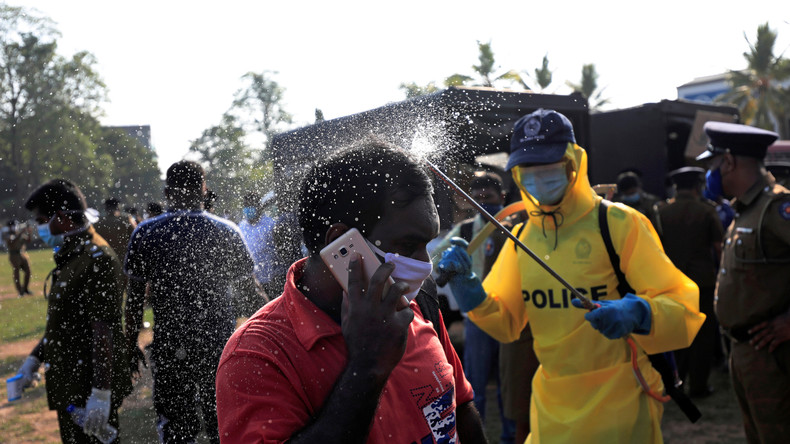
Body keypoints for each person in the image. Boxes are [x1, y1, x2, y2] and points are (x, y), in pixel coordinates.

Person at [439, 109, 705, 443]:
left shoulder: (619, 223)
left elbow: (683, 307)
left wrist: (639, 312)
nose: (538, 178)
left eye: (549, 168)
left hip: (622, 400)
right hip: (552, 405)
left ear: (573, 164)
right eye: (528, 170)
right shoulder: (523, 238)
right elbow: (505, 321)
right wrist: (469, 291)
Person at [215, 140, 487, 444]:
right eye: (408, 246)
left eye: (427, 244)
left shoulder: (415, 300)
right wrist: (367, 366)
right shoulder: (257, 356)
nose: (425, 265)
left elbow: (460, 405)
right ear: (344, 245)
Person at [124, 161, 260, 444]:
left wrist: (130, 344)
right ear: (203, 188)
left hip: (171, 345)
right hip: (219, 347)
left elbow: (134, 300)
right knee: (222, 424)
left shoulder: (146, 233)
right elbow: (250, 295)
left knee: (176, 427)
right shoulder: (227, 231)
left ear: (167, 192)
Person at [15, 179, 132, 443]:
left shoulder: (96, 258)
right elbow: (64, 320)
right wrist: (35, 358)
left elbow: (104, 329)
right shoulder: (72, 253)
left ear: (63, 218)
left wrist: (101, 394)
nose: (39, 226)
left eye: (42, 219)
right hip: (71, 382)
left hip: (88, 386)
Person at [697, 121, 790, 443]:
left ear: (729, 162)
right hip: (744, 352)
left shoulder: (777, 208)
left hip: (773, 358)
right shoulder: (746, 211)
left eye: (712, 164)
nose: (711, 173)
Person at [431, 171, 518, 444]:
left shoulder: (517, 225)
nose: (483, 203)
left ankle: (510, 437)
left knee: (510, 386)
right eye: (476, 199)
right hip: (477, 317)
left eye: (488, 197)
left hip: (512, 316)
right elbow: (434, 258)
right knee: (474, 386)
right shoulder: (467, 230)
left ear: (502, 197)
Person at [655, 167, 724, 398]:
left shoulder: (662, 212)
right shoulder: (706, 211)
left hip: (672, 282)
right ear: (697, 186)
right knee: (703, 334)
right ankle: (698, 386)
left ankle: (675, 382)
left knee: (676, 333)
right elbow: (718, 247)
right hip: (702, 281)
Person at [238, 190, 277, 305]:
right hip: (251, 283)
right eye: (246, 206)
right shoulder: (241, 226)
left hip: (270, 279)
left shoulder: (270, 224)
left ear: (259, 206)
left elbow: (277, 251)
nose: (248, 209)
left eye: (251, 205)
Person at [93, 198, 136, 262]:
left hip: (106, 258)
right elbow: (136, 236)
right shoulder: (126, 220)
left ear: (106, 209)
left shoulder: (98, 223)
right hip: (124, 258)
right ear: (118, 207)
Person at [4, 219, 33, 297]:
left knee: (28, 271)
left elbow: (28, 240)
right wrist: (21, 232)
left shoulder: (19, 234)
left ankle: (25, 289)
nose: (13, 227)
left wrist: (29, 232)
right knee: (16, 273)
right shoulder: (7, 234)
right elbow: (12, 242)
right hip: (14, 256)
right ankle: (20, 291)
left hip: (22, 254)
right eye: (11, 226)